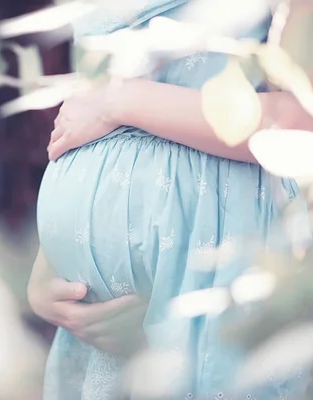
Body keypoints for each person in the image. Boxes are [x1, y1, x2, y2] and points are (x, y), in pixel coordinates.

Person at [28, 1, 313, 399]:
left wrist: (120, 99)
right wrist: (48, 266)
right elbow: (83, 120)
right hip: (95, 329)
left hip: (214, 257)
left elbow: (302, 120)